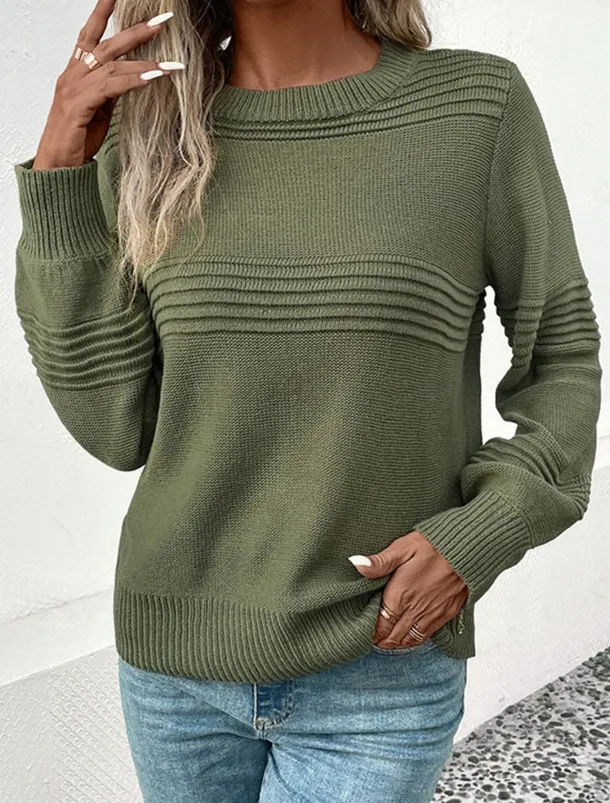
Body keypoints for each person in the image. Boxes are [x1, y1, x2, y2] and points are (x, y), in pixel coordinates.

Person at [13, 0, 602, 801]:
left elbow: (562, 355)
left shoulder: (475, 108)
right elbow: (115, 426)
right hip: (174, 670)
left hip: (377, 665)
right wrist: (59, 176)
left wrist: (482, 531)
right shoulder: (149, 138)